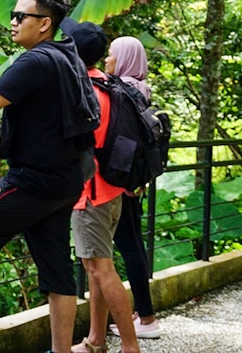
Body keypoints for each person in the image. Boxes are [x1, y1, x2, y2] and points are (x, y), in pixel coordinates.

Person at [0, 0, 99, 353]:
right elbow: (55, 120)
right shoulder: (69, 58)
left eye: (21, 16)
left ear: (45, 23)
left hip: (33, 180)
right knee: (57, 271)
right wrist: (10, 145)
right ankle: (61, 350)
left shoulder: (33, 61)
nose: (13, 23)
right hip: (65, 180)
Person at [61, 20, 140, 353]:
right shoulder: (107, 84)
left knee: (101, 269)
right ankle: (96, 340)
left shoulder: (84, 93)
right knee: (95, 269)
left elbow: (75, 144)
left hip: (91, 194)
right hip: (112, 190)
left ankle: (130, 346)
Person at [106, 37, 162, 339]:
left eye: (112, 55)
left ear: (125, 59)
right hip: (135, 182)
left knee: (129, 248)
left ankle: (148, 319)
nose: (107, 60)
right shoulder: (141, 88)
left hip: (121, 183)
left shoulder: (122, 91)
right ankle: (142, 312)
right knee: (135, 245)